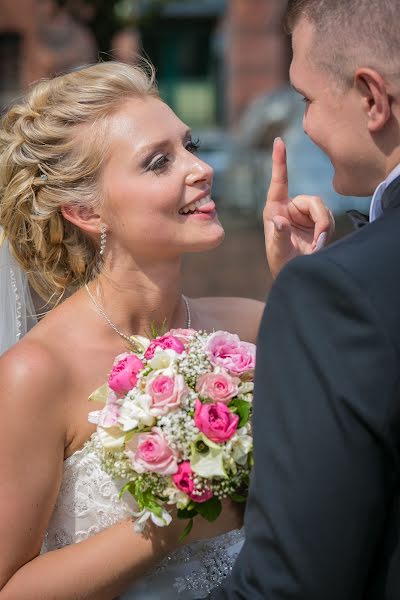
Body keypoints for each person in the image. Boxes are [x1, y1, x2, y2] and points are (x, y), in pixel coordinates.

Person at [0, 60, 333, 599]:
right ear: (86, 211)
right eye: (159, 162)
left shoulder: (252, 323)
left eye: (190, 145)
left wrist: (303, 286)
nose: (200, 168)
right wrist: (173, 523)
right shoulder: (37, 373)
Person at [212, 0, 400, 598]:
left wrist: (324, 295)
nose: (305, 126)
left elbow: (292, 583)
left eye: (306, 100)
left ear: (372, 98)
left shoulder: (338, 293)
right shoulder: (345, 283)